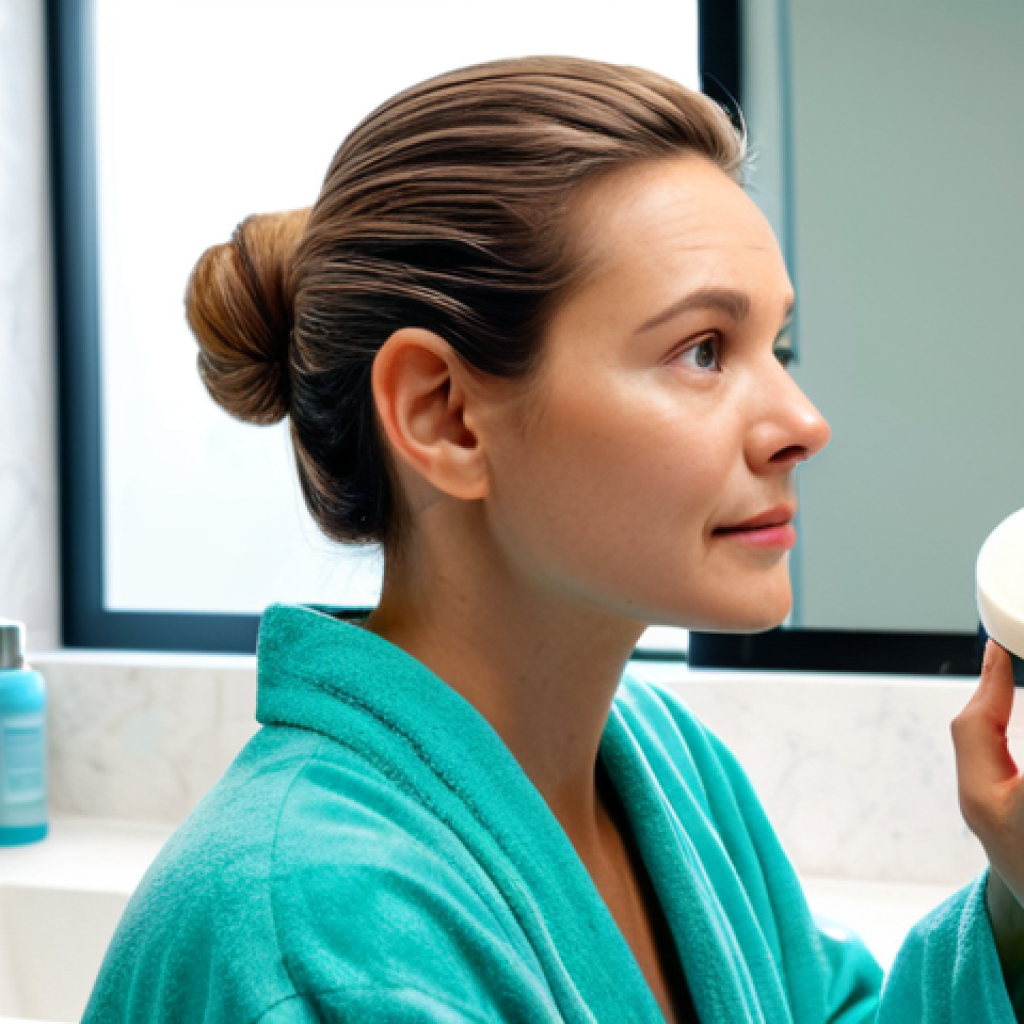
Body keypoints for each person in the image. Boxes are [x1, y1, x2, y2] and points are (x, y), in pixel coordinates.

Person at [83, 56, 1023, 1023]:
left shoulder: (667, 767)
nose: (804, 422)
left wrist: (1017, 900)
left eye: (775, 347)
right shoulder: (317, 941)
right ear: (444, 415)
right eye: (702, 350)